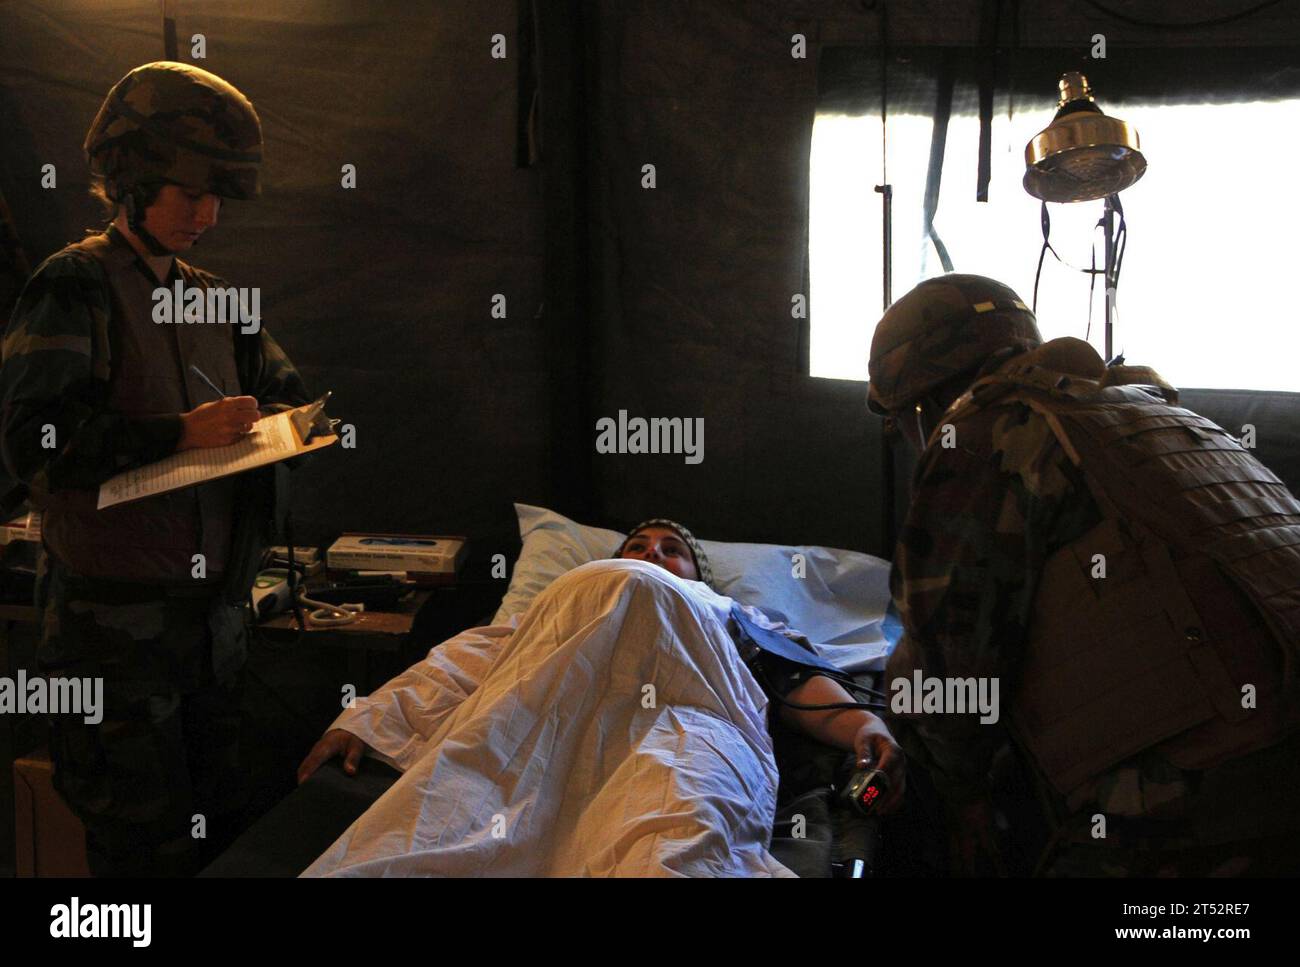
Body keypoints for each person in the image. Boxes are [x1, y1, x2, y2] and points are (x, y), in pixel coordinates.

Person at [868, 273, 1300, 876]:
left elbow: (950, 673)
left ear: (923, 403)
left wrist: (959, 801)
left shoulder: (982, 434)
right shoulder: (1155, 413)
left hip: (1200, 805)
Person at [0, 61, 311, 876]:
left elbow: (289, 395)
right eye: (188, 195)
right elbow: (32, 440)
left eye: (217, 200)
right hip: (114, 644)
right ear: (132, 180)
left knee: (219, 839)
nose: (205, 215)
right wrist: (178, 431)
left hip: (211, 635)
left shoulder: (214, 298)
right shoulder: (74, 285)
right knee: (142, 853)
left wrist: (290, 427)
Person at [297, 518, 906, 869]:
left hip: (687, 719)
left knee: (681, 825)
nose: (651, 557)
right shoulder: (554, 605)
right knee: (447, 820)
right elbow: (461, 665)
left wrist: (865, 729)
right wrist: (370, 715)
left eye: (672, 552)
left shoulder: (731, 615)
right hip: (533, 722)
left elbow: (798, 682)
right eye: (636, 549)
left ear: (698, 576)